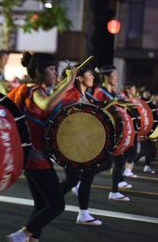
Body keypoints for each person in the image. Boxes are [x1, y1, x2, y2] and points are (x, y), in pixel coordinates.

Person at [7, 52, 77, 242]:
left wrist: (66, 83)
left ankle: (30, 238)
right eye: (52, 68)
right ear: (38, 71)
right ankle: (22, 234)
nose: (56, 73)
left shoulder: (38, 89)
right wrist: (69, 83)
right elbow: (46, 104)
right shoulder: (33, 90)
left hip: (32, 156)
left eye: (56, 69)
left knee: (42, 204)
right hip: (36, 158)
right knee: (57, 205)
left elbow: (51, 99)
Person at [58, 65, 102, 225]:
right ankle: (48, 203)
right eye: (89, 74)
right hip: (70, 145)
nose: (92, 77)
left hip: (80, 144)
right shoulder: (71, 95)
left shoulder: (84, 95)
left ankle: (82, 213)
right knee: (76, 178)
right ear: (79, 77)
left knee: (78, 178)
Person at [93, 65, 131, 201]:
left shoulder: (114, 93)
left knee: (119, 161)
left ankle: (115, 190)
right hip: (105, 134)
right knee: (108, 163)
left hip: (115, 134)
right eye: (115, 75)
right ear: (107, 76)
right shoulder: (100, 93)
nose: (117, 77)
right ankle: (81, 179)